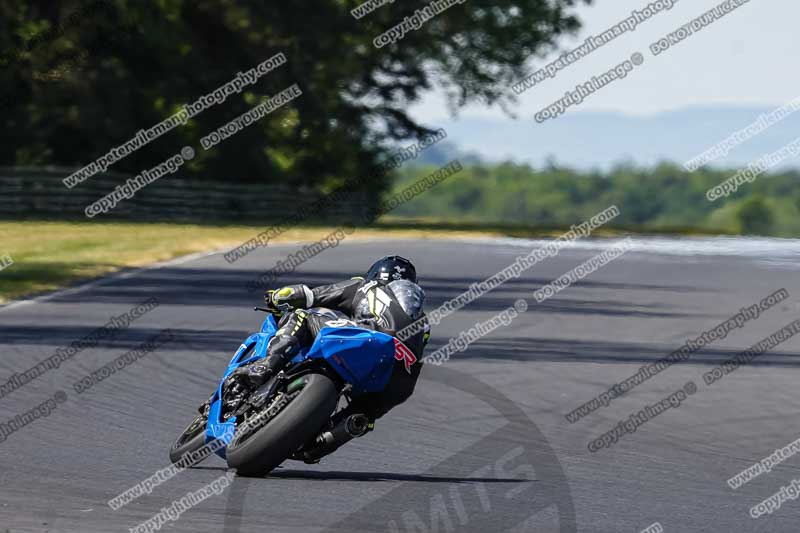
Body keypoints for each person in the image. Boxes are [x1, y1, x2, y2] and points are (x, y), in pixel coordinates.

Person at [229, 255, 430, 462]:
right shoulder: (423, 320)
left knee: (302, 316)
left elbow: (308, 296)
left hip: (368, 338)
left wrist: (278, 296)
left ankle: (265, 365)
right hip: (400, 379)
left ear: (376, 274)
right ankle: (326, 440)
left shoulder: (366, 286)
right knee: (365, 412)